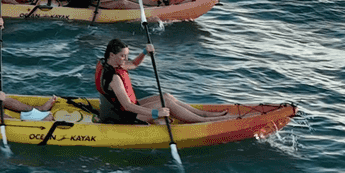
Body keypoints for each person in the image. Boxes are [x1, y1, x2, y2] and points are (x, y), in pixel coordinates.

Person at [92, 38, 237, 125]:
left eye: (126, 55)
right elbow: (128, 106)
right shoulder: (114, 78)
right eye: (123, 56)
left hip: (122, 109)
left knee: (166, 96)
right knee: (166, 104)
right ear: (112, 54)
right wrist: (156, 113)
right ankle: (204, 121)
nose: (125, 59)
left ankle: (203, 114)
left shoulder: (111, 63)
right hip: (124, 117)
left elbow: (134, 64)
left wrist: (144, 52)